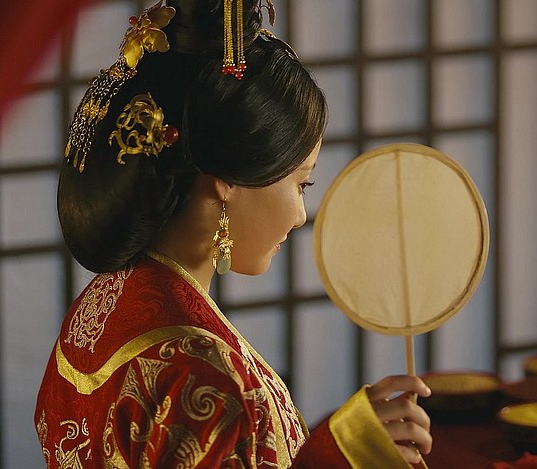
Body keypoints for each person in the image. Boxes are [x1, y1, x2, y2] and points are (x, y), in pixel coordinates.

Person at [34, 1, 433, 467]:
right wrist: (338, 457)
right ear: (227, 180)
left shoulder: (102, 304)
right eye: (301, 184)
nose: (300, 216)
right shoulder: (204, 379)